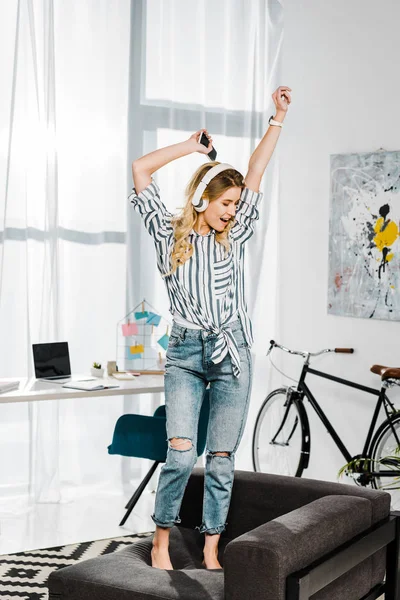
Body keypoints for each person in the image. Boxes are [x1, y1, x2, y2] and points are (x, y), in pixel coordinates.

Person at [129, 85, 292, 570]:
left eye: (239, 205)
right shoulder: (165, 231)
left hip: (233, 354)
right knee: (180, 455)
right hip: (185, 353)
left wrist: (277, 118)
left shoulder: (235, 235)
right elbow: (140, 170)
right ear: (203, 197)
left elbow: (258, 169)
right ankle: (161, 539)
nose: (234, 211)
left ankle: (210, 548)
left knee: (221, 459)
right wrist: (189, 148)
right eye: (227, 203)